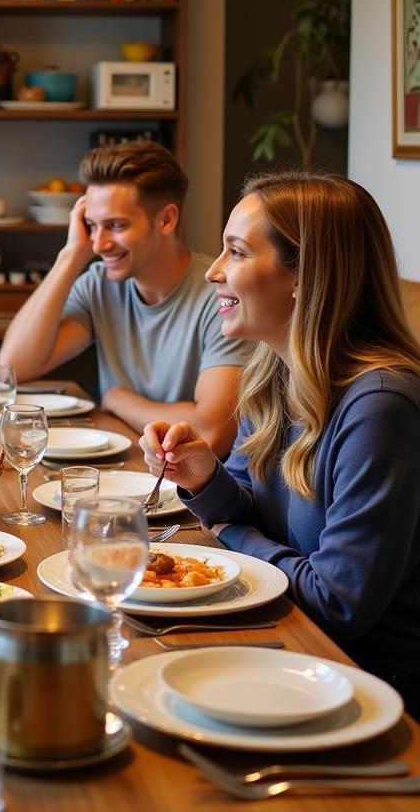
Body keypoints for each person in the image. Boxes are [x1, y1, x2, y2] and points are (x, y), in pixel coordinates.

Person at [140, 170, 420, 717]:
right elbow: (251, 509)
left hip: (372, 686)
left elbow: (337, 603)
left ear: (304, 275)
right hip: (297, 648)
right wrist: (204, 479)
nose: (213, 272)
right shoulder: (274, 374)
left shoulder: (381, 407)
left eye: (236, 253)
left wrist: (232, 533)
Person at [0, 141, 251, 456]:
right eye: (91, 225)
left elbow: (212, 433)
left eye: (116, 225)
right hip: (127, 467)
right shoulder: (99, 286)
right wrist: (70, 256)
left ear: (166, 220)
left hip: (189, 491)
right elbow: (12, 368)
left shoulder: (221, 297)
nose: (99, 244)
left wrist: (119, 399)